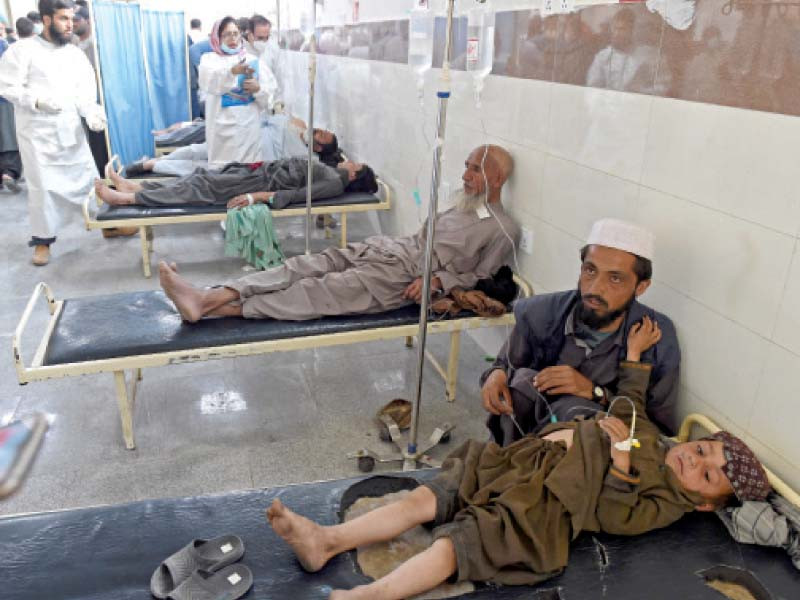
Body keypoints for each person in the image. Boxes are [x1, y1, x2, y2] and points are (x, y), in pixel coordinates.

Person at [265, 320, 770, 599]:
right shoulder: (656, 441)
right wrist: (635, 359)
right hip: (522, 462)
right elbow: (631, 409)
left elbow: (618, 518)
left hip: (547, 507)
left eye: (707, 476)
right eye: (702, 449)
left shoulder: (667, 501)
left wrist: (618, 464)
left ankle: (375, 598)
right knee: (433, 494)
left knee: (465, 541)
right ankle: (327, 541)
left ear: (706, 504)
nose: (692, 461)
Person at [151, 145, 517, 323]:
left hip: (403, 278)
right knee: (303, 265)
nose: (466, 175)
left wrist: (437, 281)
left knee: (315, 291)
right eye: (467, 167)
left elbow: (482, 277)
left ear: (498, 180)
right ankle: (212, 296)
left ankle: (213, 306)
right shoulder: (464, 206)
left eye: (476, 171)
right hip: (389, 249)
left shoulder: (502, 229)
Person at [481, 218, 680, 445]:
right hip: (520, 441)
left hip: (590, 460)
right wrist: (495, 376)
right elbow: (506, 365)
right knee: (523, 381)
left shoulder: (656, 338)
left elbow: (656, 431)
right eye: (590, 270)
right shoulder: (542, 313)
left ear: (641, 287)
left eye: (615, 278)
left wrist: (595, 392)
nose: (594, 288)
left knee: (576, 411)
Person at [0, 0, 111, 266]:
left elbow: (84, 89)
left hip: (70, 130)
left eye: (71, 19)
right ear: (47, 19)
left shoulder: (73, 53)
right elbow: (6, 85)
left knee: (86, 177)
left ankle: (105, 222)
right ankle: (42, 241)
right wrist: (35, 100)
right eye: (63, 18)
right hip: (38, 134)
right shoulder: (22, 51)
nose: (70, 24)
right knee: (43, 188)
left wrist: (92, 110)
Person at [96, 156, 375, 209]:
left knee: (199, 188)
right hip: (259, 172)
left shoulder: (335, 182)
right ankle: (138, 187)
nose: (350, 162)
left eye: (355, 165)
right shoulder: (331, 168)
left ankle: (127, 199)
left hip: (261, 182)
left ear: (353, 175)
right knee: (199, 178)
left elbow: (302, 195)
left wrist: (260, 196)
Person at [125, 117, 341, 178]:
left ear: (319, 148)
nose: (318, 131)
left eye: (321, 135)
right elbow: (270, 120)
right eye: (321, 129)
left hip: (249, 160)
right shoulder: (297, 126)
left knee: (198, 168)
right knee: (195, 149)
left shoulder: (309, 159)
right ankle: (152, 162)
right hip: (239, 140)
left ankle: (153, 166)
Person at [199, 17, 279, 169]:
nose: (232, 38)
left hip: (247, 130)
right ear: (217, 37)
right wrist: (231, 71)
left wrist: (258, 89)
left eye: (235, 33)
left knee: (247, 173)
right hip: (220, 131)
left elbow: (270, 96)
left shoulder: (253, 61)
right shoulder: (209, 60)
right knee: (222, 172)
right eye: (227, 34)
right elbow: (208, 82)